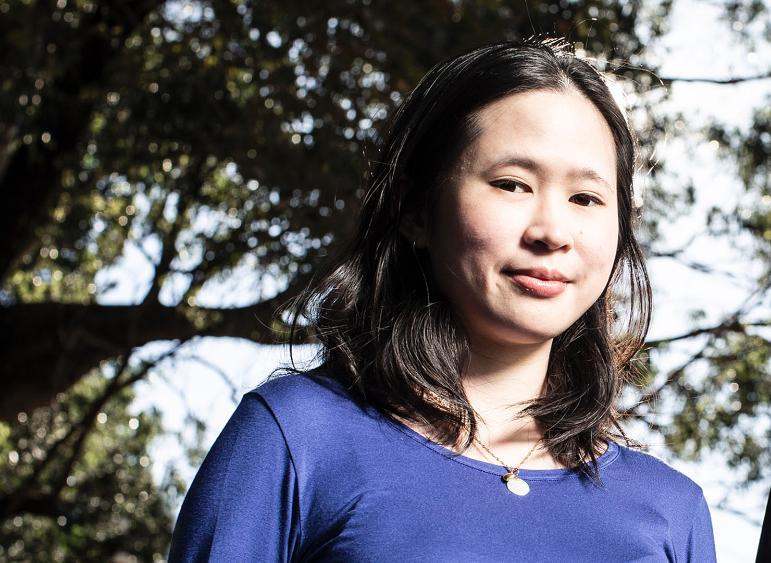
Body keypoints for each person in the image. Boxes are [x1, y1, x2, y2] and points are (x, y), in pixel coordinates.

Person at [169, 37, 717, 562]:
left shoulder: (673, 511)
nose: (553, 232)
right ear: (416, 210)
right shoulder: (296, 437)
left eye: (586, 198)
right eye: (512, 184)